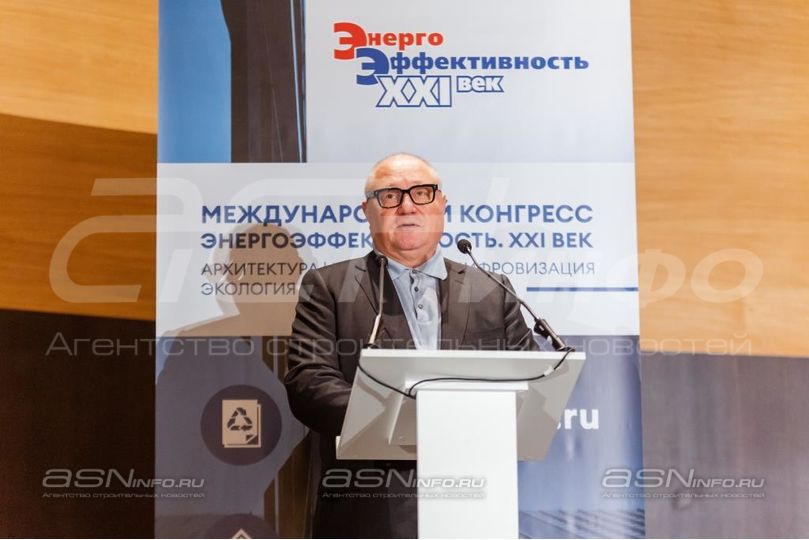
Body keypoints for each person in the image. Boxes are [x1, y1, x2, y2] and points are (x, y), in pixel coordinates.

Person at [284, 153, 539, 538]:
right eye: (390, 196)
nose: (407, 206)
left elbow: (529, 380)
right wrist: (410, 420)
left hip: (476, 503)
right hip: (370, 508)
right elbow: (310, 383)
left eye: (422, 193)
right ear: (367, 211)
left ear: (442, 205)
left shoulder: (491, 289)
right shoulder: (329, 287)